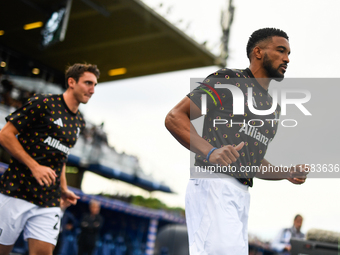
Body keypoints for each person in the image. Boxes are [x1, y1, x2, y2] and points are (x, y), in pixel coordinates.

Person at [165, 28, 309, 254]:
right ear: (258, 52)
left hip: (242, 194)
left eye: (289, 53)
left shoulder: (274, 109)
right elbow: (175, 117)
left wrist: (286, 172)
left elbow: (253, 161)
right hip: (214, 183)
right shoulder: (230, 80)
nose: (287, 58)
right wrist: (211, 152)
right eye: (281, 51)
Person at [0, 63, 100, 255]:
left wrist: (63, 189)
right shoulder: (43, 103)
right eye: (88, 83)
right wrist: (34, 166)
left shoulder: (79, 121)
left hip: (48, 200)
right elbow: (5, 135)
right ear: (72, 82)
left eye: (95, 85)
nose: (92, 90)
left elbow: (60, 157)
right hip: (16, 191)